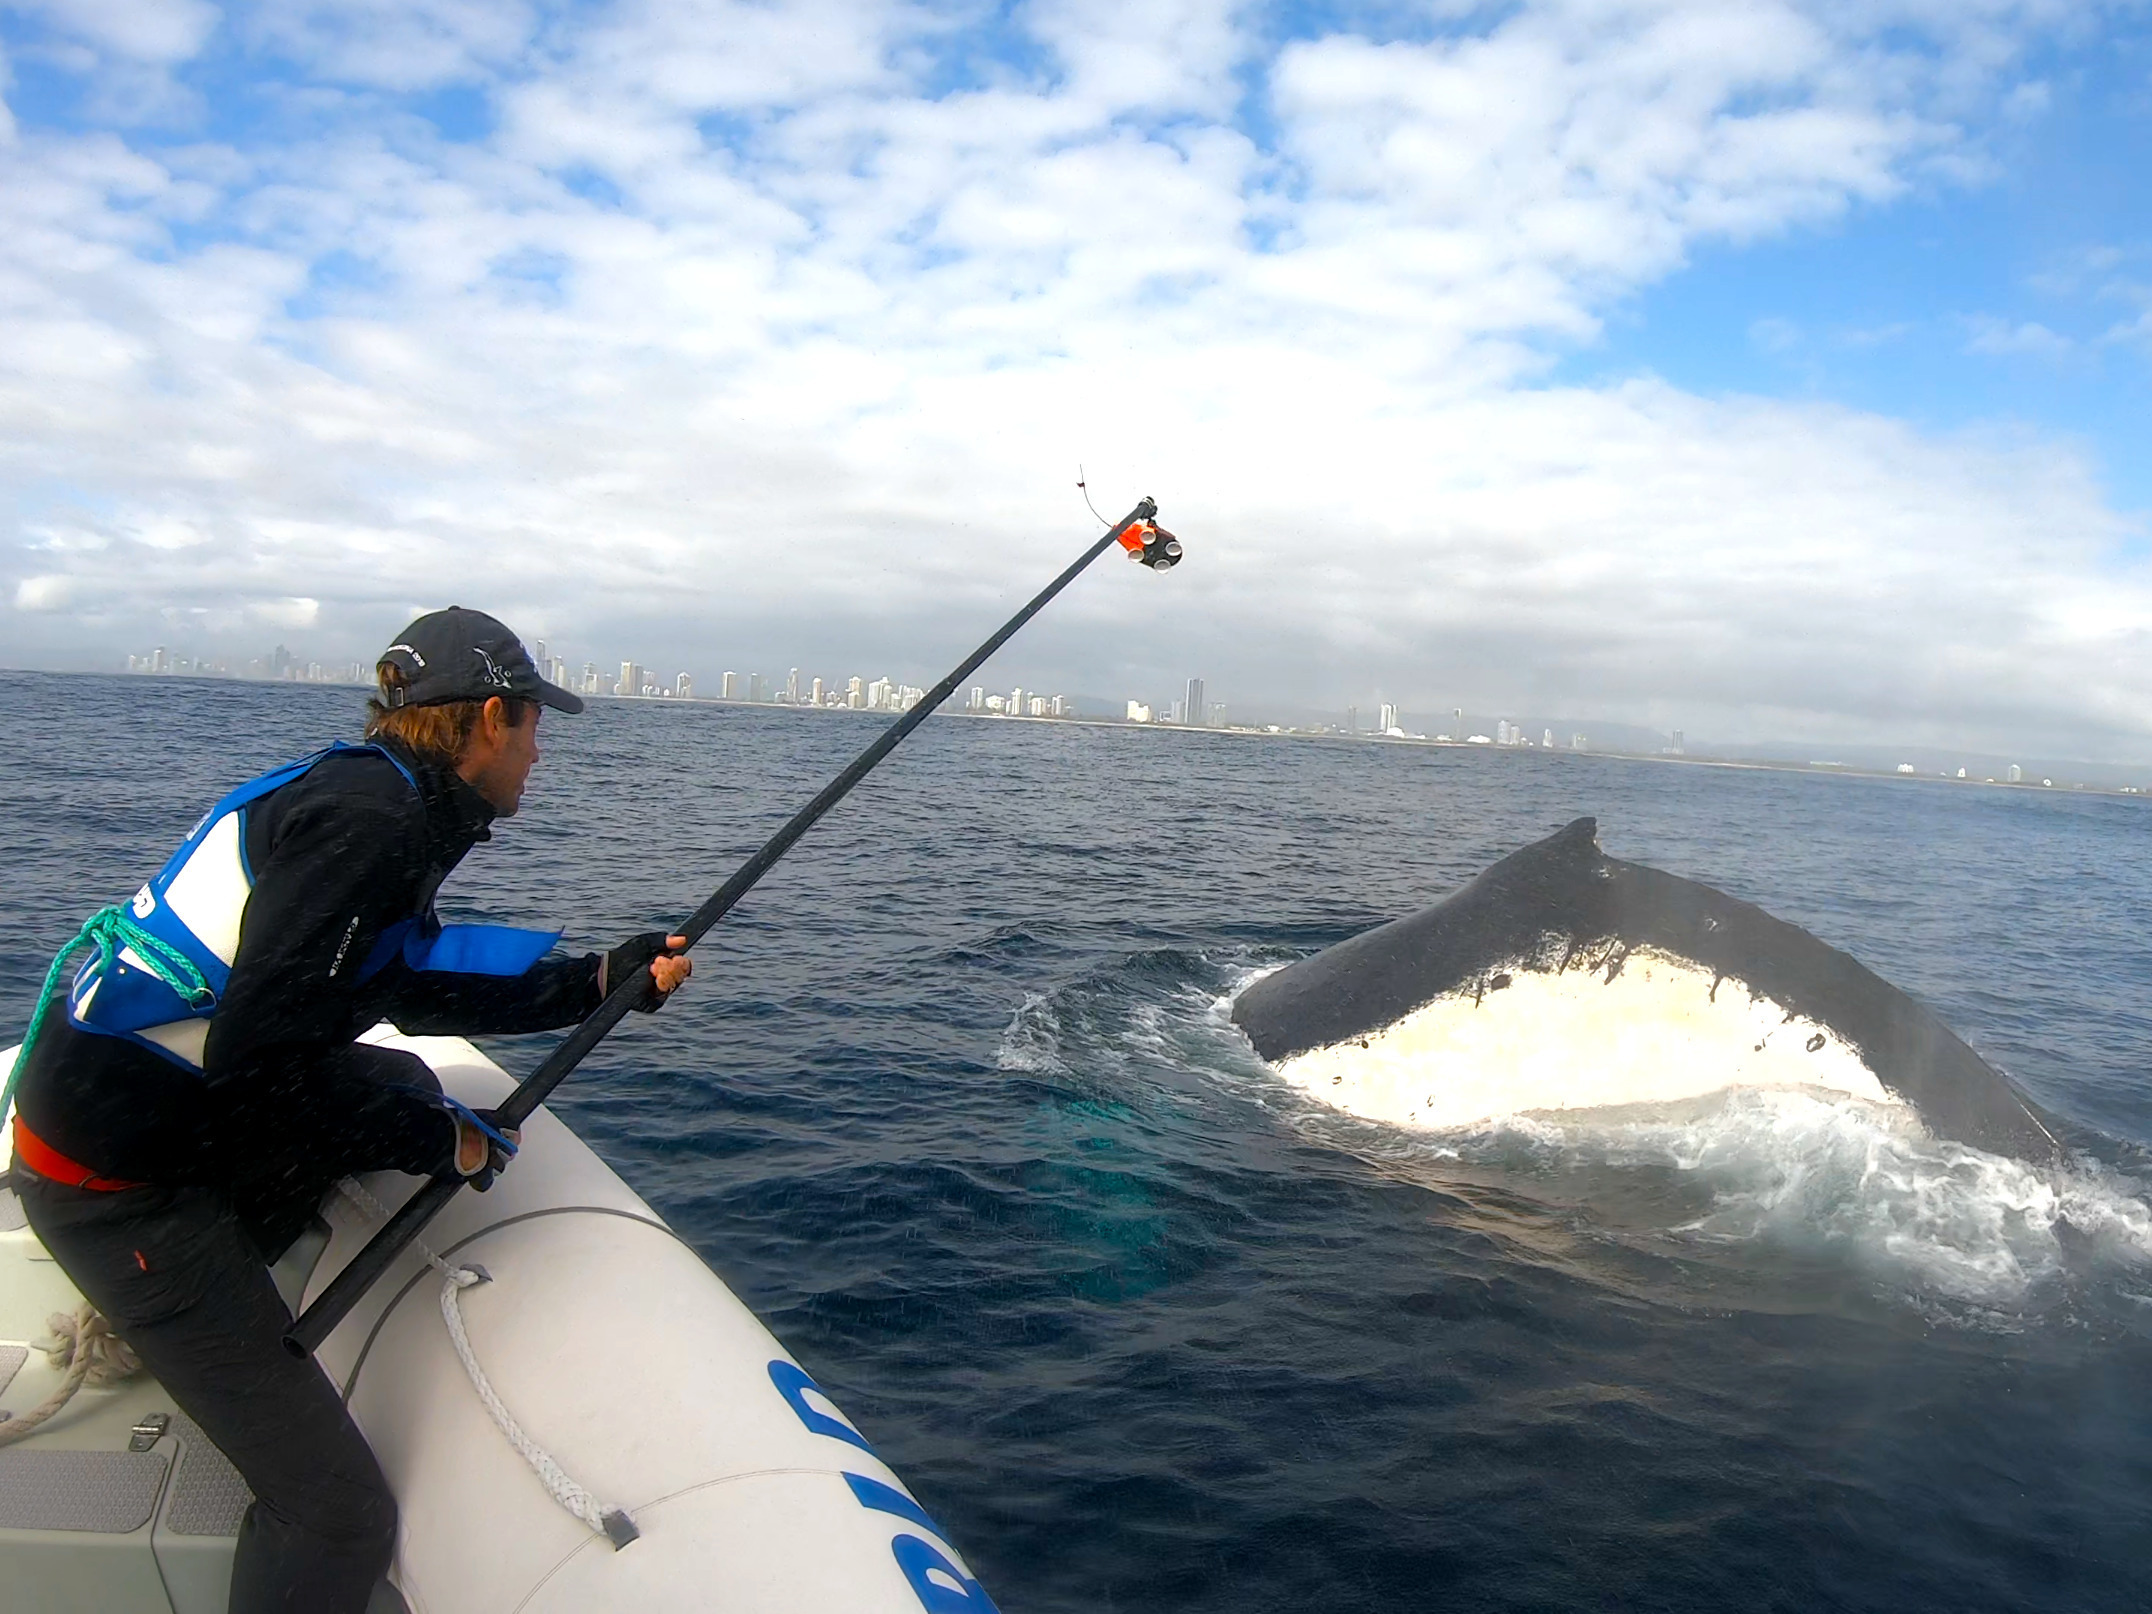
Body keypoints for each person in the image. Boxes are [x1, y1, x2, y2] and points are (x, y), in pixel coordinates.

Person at [5, 607, 691, 1614]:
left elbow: (402, 983)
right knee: (336, 1519)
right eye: (536, 724)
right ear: (490, 717)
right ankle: (182, 1311)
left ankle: (221, 1296)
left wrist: (595, 982)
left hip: (146, 1120)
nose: (542, 752)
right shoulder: (374, 823)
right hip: (122, 1193)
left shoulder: (381, 797)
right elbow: (260, 1065)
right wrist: (436, 1144)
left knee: (406, 1085)